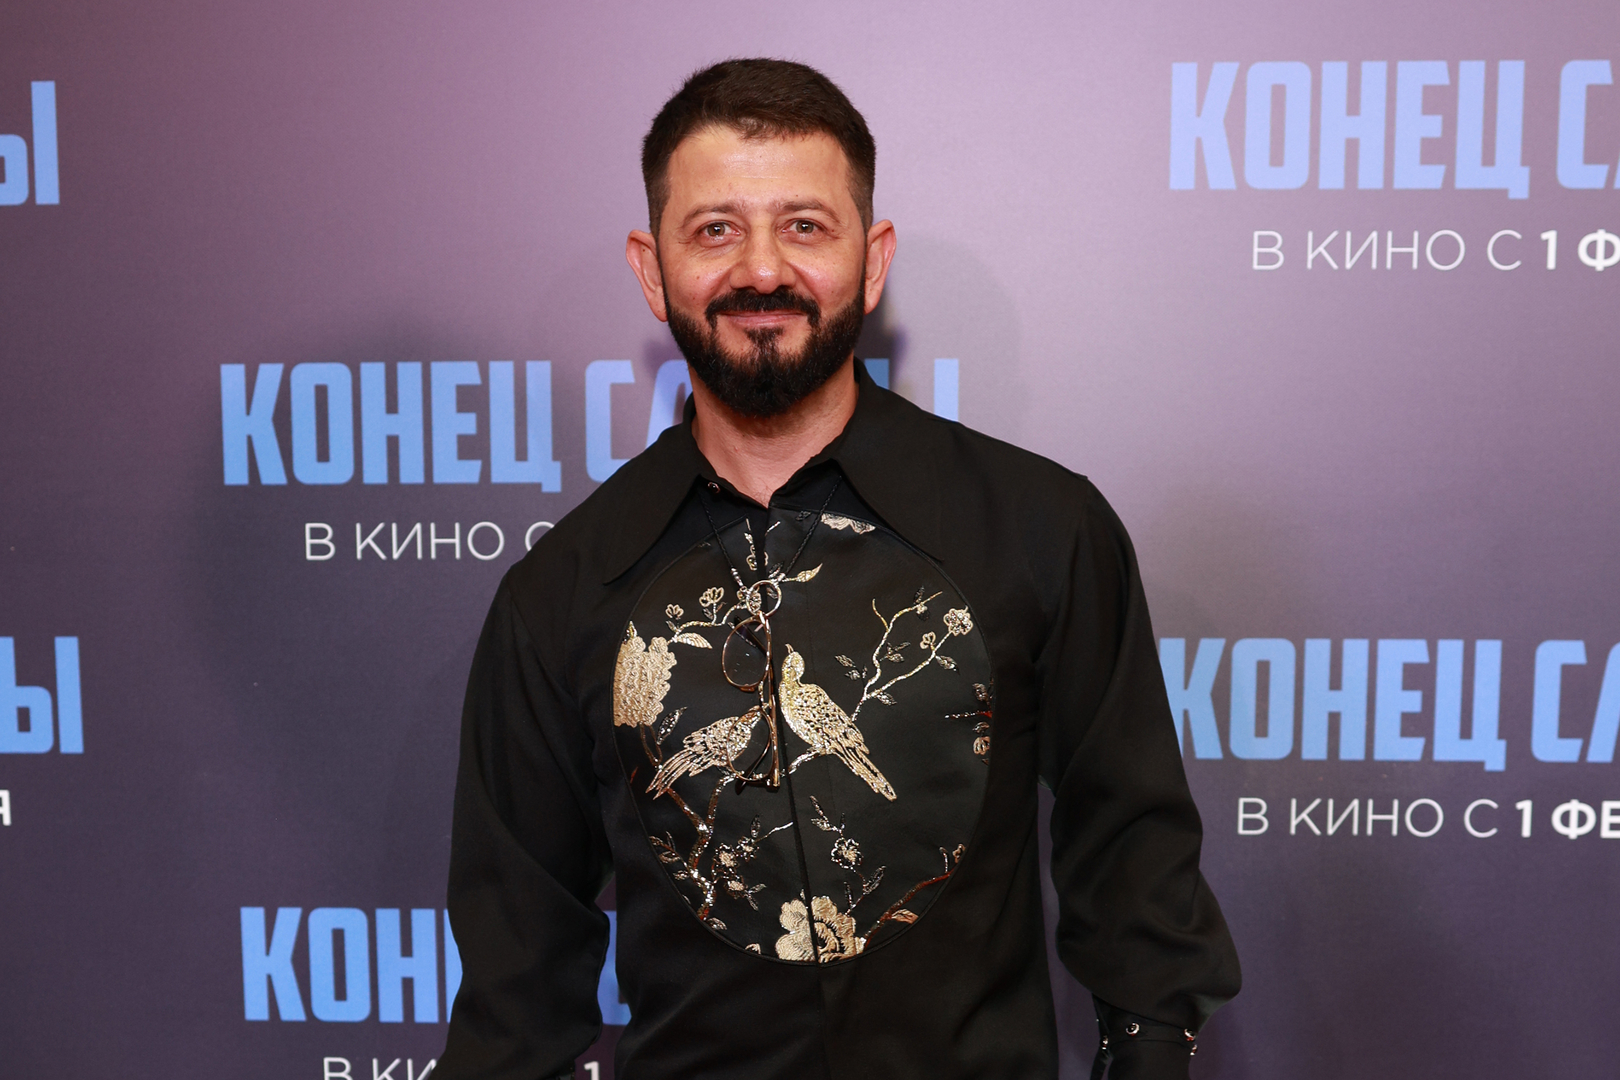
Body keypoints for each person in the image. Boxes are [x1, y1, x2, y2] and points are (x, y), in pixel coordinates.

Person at [438, 58, 1239, 1080]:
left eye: (805, 226)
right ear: (651, 269)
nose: (761, 270)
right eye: (714, 229)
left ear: (872, 259)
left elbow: (1133, 859)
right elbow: (515, 994)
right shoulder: (561, 593)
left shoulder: (1043, 530)